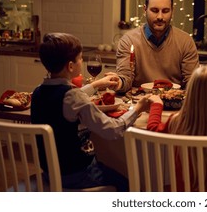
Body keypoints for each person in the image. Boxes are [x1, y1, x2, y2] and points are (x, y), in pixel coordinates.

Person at [31, 32, 151, 191]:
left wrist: (96, 85)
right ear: (71, 66)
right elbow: (112, 130)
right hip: (77, 173)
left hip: (50, 172)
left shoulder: (38, 92)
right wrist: (137, 109)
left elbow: (70, 99)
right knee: (126, 183)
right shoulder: (72, 96)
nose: (82, 61)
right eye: (80, 58)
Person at [115, 0, 199, 92]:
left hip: (173, 103)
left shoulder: (185, 42)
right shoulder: (128, 41)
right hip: (140, 103)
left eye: (165, 11)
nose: (160, 16)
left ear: (172, 11)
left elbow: (192, 83)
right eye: (154, 10)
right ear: (145, 9)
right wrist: (118, 82)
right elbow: (125, 78)